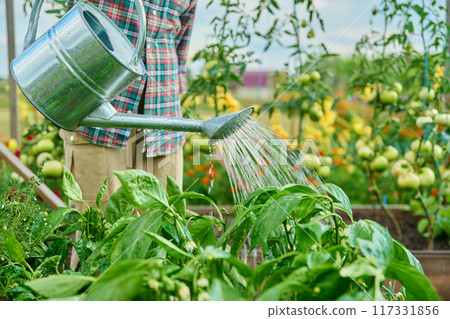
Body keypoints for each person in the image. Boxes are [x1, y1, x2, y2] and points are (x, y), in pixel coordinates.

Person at [61, 0, 197, 213]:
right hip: (100, 117)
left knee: (162, 231)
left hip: (163, 120)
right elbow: (73, 21)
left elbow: (180, 45)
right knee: (99, 231)